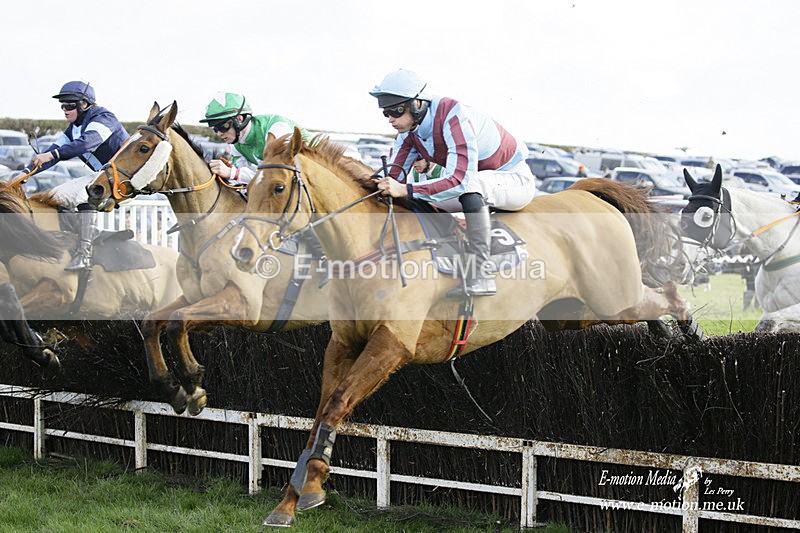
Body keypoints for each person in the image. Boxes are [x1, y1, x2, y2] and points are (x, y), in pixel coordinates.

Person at [370, 69, 536, 297]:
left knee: (469, 186)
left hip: (513, 181)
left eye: (396, 111)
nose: (390, 119)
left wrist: (406, 189)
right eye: (386, 112)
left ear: (418, 104)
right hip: (475, 187)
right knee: (413, 196)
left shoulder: (454, 116)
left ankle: (482, 272)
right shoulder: (408, 132)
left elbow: (460, 181)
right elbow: (394, 179)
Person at [19, 81, 129, 271]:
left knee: (82, 195)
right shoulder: (73, 128)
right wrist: (24, 174)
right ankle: (75, 240)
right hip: (103, 178)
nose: (65, 110)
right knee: (54, 197)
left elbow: (86, 144)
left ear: (84, 104)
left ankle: (84, 255)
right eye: (62, 105)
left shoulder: (104, 118)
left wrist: (52, 155)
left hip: (125, 181)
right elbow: (52, 152)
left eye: (69, 105)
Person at [200, 92, 313, 184]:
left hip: (318, 170)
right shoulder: (236, 145)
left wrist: (232, 173)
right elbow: (247, 180)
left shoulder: (276, 128)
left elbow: (277, 176)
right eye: (215, 128)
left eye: (223, 126)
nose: (219, 133)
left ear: (239, 119)